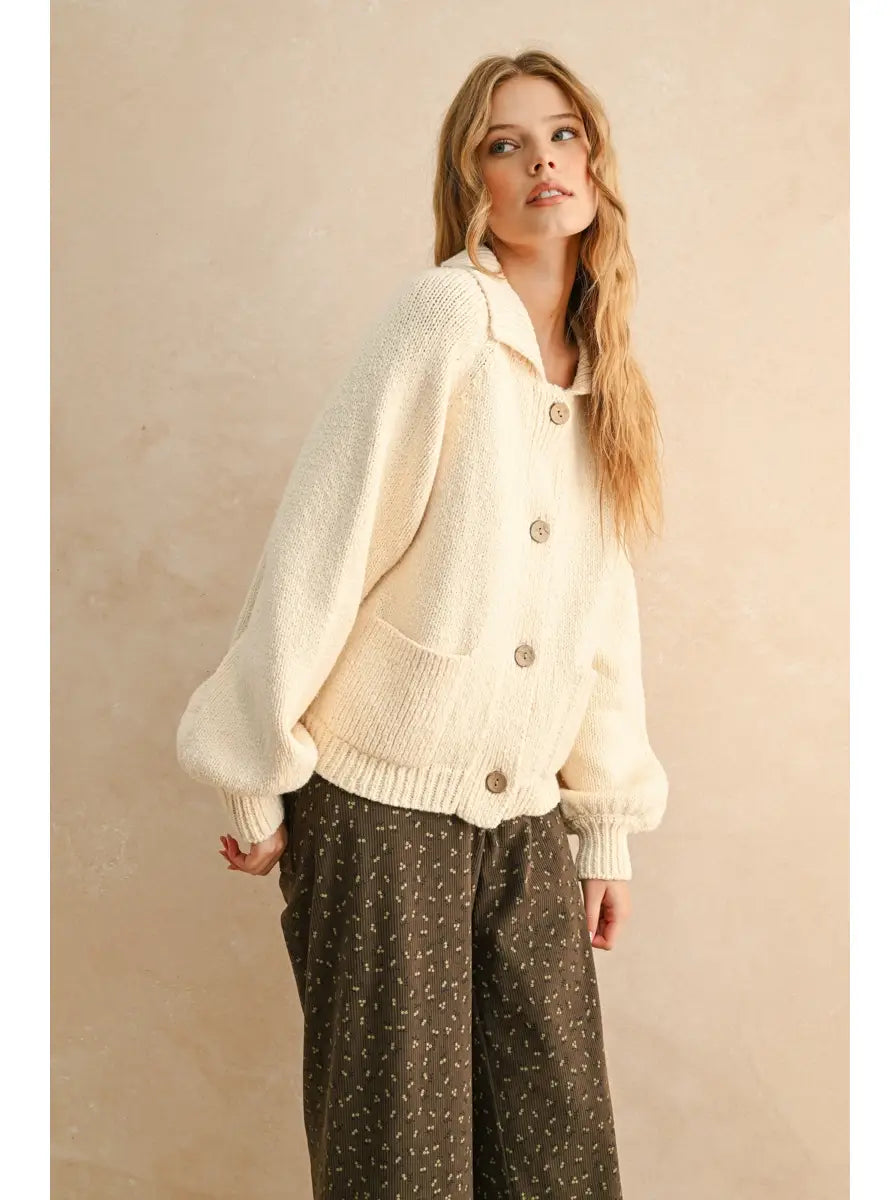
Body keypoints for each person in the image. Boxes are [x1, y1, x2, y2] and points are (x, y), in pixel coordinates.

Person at [176, 48, 668, 1199]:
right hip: (378, 814)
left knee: (557, 1162)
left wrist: (605, 826)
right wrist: (251, 771)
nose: (542, 160)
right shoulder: (443, 318)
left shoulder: (604, 369)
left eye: (562, 134)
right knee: (401, 1169)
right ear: (472, 182)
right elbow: (321, 543)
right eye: (507, 144)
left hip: (526, 824)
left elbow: (599, 615)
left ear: (595, 163)